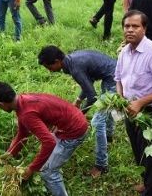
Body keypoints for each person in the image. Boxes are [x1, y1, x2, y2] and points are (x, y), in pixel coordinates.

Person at [0, 82, 88, 196]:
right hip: (74, 120)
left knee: (47, 172)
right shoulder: (22, 100)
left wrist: (32, 168)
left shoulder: (26, 113)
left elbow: (49, 143)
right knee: (44, 157)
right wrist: (9, 155)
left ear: (1, 104)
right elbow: (23, 134)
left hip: (74, 131)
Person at [115, 10, 152, 196]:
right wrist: (120, 98)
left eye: (135, 26)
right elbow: (118, 79)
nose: (130, 30)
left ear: (144, 28)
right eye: (127, 26)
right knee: (140, 150)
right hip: (130, 110)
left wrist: (140, 103)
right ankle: (151, 183)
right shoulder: (124, 51)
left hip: (151, 112)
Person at [37, 45, 117, 178]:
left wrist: (78, 114)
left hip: (115, 78)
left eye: (49, 67)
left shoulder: (74, 68)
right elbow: (89, 81)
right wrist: (79, 100)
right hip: (111, 75)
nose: (50, 71)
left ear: (57, 62)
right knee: (106, 109)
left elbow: (92, 96)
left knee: (97, 121)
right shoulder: (70, 61)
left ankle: (101, 165)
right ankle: (109, 137)